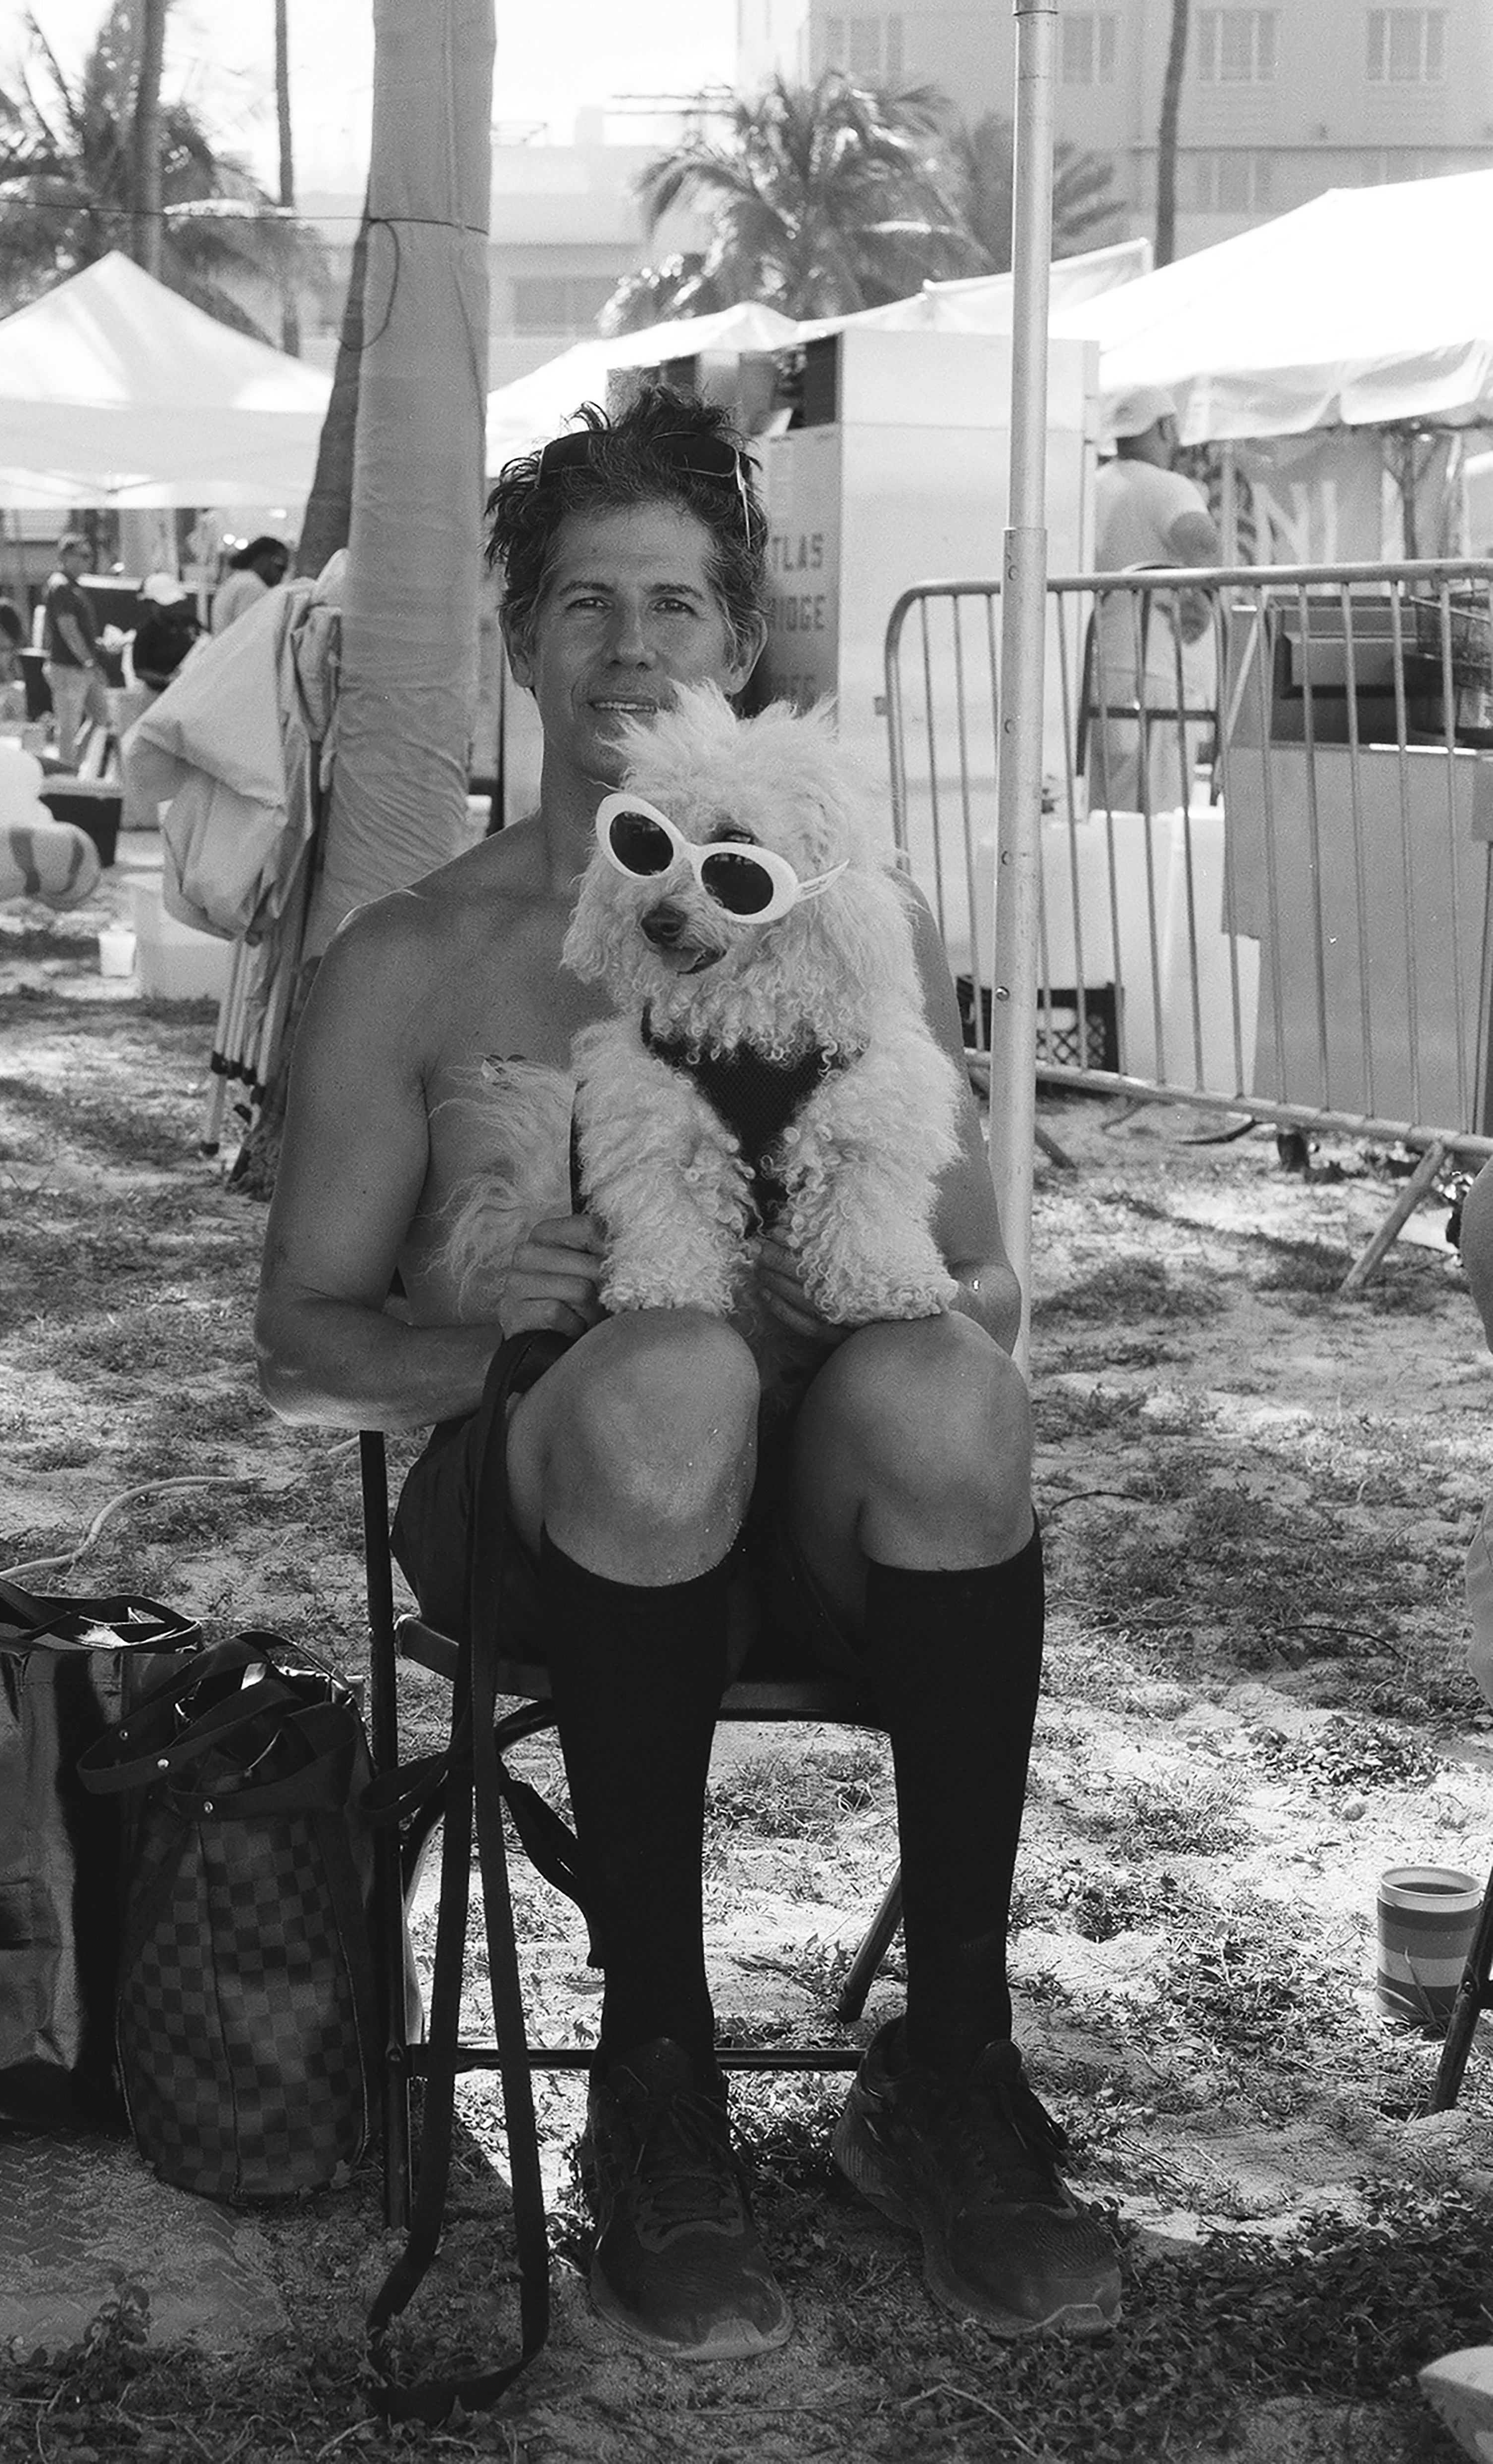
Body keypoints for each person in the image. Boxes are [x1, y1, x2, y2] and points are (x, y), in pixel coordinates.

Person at [253, 384, 1122, 2362]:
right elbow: (300, 1330)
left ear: (737, 640)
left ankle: (952, 2065)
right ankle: (652, 2083)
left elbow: (983, 1274)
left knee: (946, 1399)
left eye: (669, 603)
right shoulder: (418, 953)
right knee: (659, 1386)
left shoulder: (852, 925)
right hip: (541, 1504)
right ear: (516, 640)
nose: (627, 648)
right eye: (578, 603)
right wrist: (501, 1318)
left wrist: (859, 1305)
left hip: (804, 1511)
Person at [1088, 383, 1223, 811]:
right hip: (1155, 671)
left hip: (1098, 669)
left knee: (1106, 815)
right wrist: (1200, 592)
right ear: (1167, 427)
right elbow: (1201, 540)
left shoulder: (1091, 486)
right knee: (1155, 823)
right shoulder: (1168, 487)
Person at [44, 532, 110, 766]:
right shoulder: (61, 586)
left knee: (102, 716)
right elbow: (68, 629)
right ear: (65, 557)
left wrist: (97, 647)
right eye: (82, 556)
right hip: (68, 667)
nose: (87, 561)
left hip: (81, 666)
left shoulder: (72, 586)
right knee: (68, 726)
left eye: (89, 556)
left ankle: (74, 765)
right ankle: (65, 772)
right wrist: (89, 661)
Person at [129, 571, 202, 694]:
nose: (171, 609)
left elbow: (205, 643)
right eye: (165, 605)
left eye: (175, 604)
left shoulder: (190, 623)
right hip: (159, 695)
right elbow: (140, 670)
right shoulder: (146, 632)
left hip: (191, 692)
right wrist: (166, 680)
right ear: (152, 605)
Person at [210, 533, 289, 634]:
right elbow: (249, 635)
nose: (281, 576)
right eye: (281, 567)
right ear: (264, 558)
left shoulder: (237, 579)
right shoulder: (253, 586)